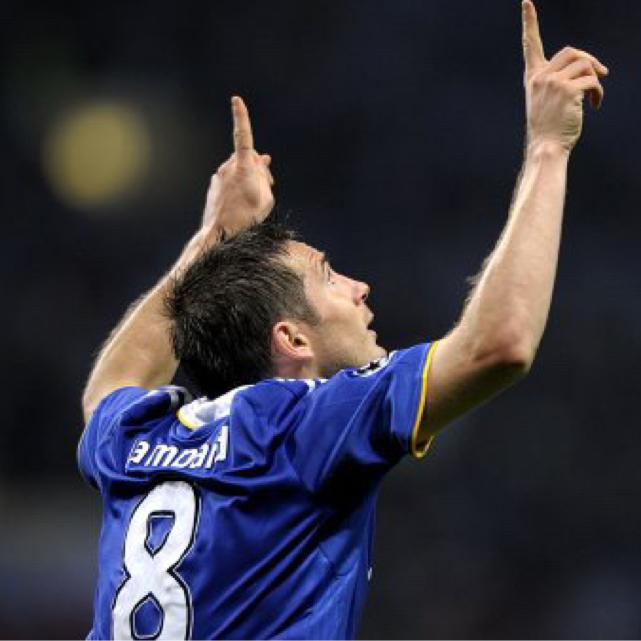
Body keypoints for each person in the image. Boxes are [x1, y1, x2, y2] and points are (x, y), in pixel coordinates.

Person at [78, 2, 608, 638]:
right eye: (330, 277)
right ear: (292, 338)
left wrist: (216, 236)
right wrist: (549, 147)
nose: (360, 288)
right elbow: (499, 346)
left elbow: (110, 387)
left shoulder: (138, 439)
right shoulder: (302, 426)